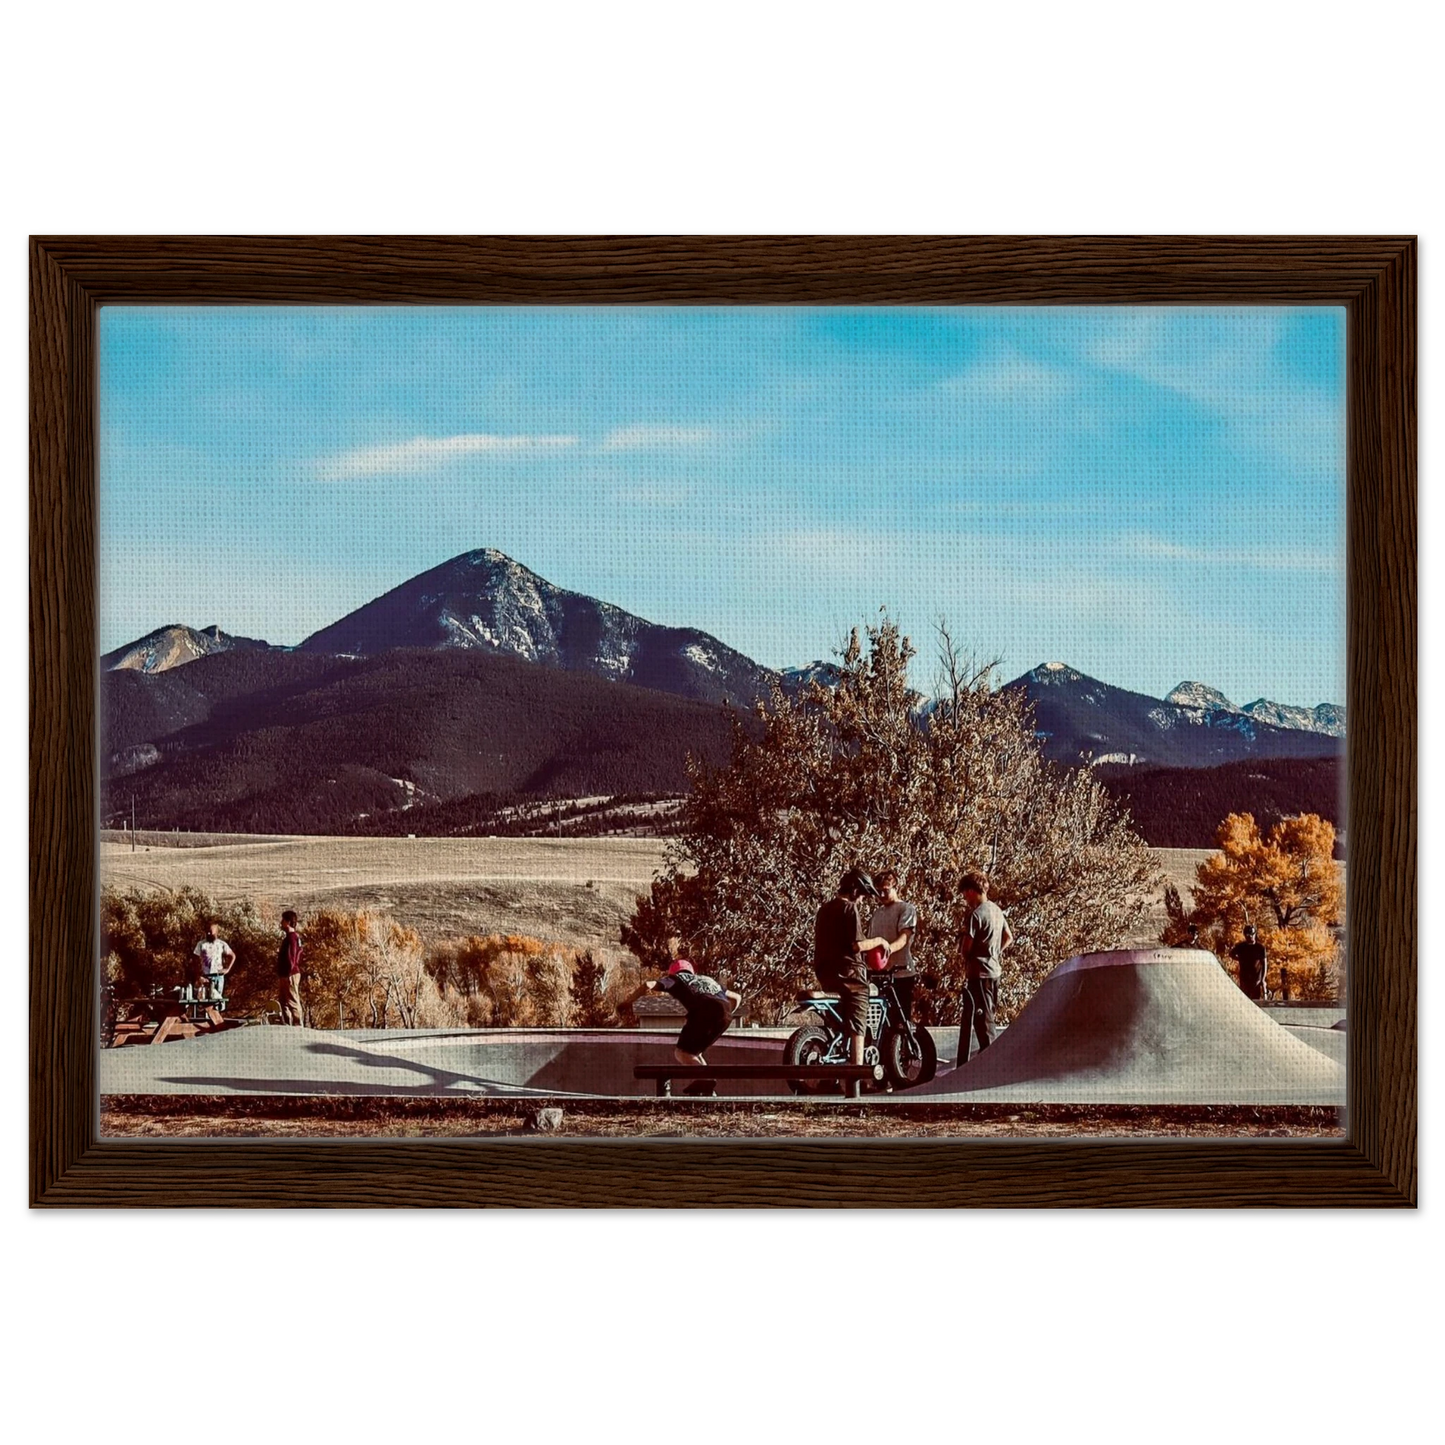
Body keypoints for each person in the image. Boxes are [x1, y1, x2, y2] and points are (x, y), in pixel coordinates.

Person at [625, 937, 742, 1092]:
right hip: (725, 1015)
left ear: (672, 972)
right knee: (694, 1053)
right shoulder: (707, 979)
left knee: (682, 1053)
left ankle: (706, 1080)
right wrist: (721, 1015)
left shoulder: (674, 979)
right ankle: (708, 1089)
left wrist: (627, 1002)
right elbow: (736, 997)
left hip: (704, 1011)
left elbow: (648, 984)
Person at [814, 868, 891, 1067]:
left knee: (839, 1019)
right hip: (849, 975)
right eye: (863, 896)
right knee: (859, 1017)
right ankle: (856, 1072)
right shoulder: (849, 909)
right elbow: (856, 945)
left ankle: (836, 1061)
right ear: (855, 890)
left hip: (825, 973)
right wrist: (879, 941)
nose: (862, 900)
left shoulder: (824, 909)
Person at [958, 872, 1012, 1064]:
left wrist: (970, 956)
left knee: (983, 1021)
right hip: (994, 971)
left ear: (972, 891)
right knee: (990, 1014)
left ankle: (991, 1061)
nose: (965, 898)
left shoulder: (976, 915)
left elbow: (966, 948)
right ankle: (989, 1057)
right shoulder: (997, 911)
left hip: (979, 974)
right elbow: (1008, 937)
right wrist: (995, 952)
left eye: (965, 893)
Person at [192, 921, 236, 1004]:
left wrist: (227, 969)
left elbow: (233, 955)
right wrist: (198, 975)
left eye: (211, 932)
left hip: (218, 977)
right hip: (206, 977)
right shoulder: (201, 944)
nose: (209, 934)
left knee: (217, 1002)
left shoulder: (221, 944)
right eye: (207, 932)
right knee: (203, 1001)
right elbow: (195, 960)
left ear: (216, 932)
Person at [276, 910, 305, 1026]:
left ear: (288, 922)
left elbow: (292, 957)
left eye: (283, 920)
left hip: (290, 974)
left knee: (292, 1001)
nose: (281, 922)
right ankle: (287, 1025)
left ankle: (298, 1025)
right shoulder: (291, 938)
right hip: (286, 974)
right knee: (283, 1001)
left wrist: (289, 973)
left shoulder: (292, 938)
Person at [1230, 925, 1268, 1001]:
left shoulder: (1260, 948)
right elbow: (1231, 954)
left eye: (1252, 934)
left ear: (1255, 934)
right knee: (1244, 1000)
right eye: (1248, 934)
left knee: (1255, 1000)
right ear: (1245, 935)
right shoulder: (1241, 947)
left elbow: (1264, 963)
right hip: (1244, 978)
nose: (1250, 936)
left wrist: (1263, 979)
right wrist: (1239, 959)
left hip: (1256, 979)